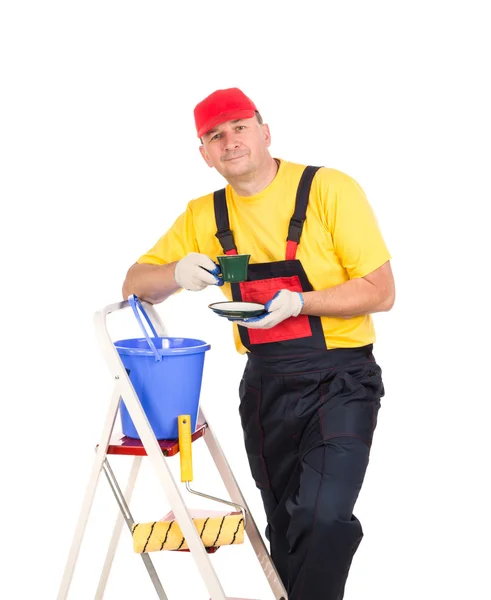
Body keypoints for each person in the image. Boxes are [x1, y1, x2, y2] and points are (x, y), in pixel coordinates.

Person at [122, 87, 395, 600]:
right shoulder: (205, 215)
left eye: (240, 127)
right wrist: (177, 273)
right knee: (285, 526)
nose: (229, 142)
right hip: (266, 387)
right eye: (214, 135)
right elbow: (134, 284)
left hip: (341, 379)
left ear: (265, 132)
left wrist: (303, 302)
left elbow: (381, 291)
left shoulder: (328, 189)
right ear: (203, 153)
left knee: (325, 517)